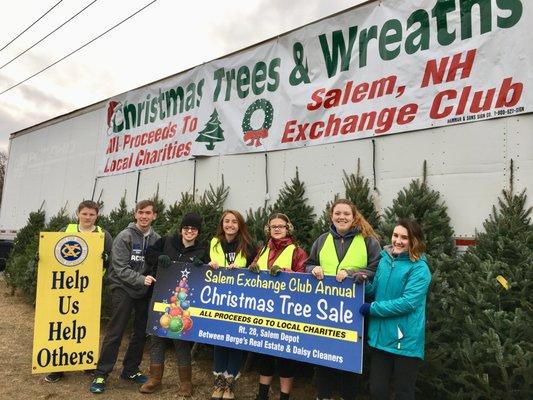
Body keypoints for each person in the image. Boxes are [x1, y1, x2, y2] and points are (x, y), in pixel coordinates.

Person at [306, 198, 381, 400]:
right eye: (337, 213)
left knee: (351, 359)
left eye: (346, 214)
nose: (342, 217)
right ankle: (323, 396)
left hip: (354, 313)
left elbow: (377, 270)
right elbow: (308, 264)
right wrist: (314, 269)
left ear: (354, 216)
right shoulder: (321, 240)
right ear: (331, 216)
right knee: (323, 357)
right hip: (325, 312)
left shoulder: (368, 241)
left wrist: (353, 272)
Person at [89, 200, 160, 394]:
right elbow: (119, 268)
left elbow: (157, 264)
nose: (144, 216)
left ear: (154, 216)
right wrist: (141, 279)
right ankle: (102, 373)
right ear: (135, 214)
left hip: (144, 291)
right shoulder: (125, 236)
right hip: (123, 288)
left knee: (140, 332)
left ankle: (130, 370)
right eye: (140, 212)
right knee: (115, 331)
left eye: (148, 213)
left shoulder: (156, 239)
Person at [359, 219, 431, 400]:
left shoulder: (420, 269)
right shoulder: (385, 260)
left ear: (414, 240)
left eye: (404, 238)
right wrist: (363, 284)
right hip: (381, 337)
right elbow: (375, 289)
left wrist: (372, 309)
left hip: (404, 340)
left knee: (403, 392)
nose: (398, 241)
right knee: (377, 390)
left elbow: (408, 303)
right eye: (395, 235)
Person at [139, 212, 208, 397]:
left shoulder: (202, 249)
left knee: (181, 341)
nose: (189, 231)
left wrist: (204, 265)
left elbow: (209, 270)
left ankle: (186, 382)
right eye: (186, 228)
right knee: (157, 338)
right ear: (181, 229)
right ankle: (154, 379)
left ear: (198, 232)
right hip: (161, 297)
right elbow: (149, 253)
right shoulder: (167, 241)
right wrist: (159, 257)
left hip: (184, 303)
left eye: (193, 229)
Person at [45, 200, 113, 383]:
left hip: (90, 287)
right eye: (85, 214)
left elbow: (110, 260)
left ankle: (86, 360)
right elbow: (52, 252)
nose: (88, 218)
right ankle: (57, 366)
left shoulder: (103, 234)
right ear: (78, 214)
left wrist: (106, 260)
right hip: (66, 286)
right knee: (62, 326)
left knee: (87, 325)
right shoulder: (65, 231)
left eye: (92, 214)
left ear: (97, 216)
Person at [251, 213, 307, 400]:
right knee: (265, 354)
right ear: (269, 228)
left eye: (280, 226)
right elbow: (253, 266)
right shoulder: (263, 248)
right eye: (273, 226)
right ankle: (262, 395)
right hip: (263, 309)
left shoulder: (297, 251)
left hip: (287, 312)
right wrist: (252, 268)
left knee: (285, 358)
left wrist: (286, 273)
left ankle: (284, 397)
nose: (276, 229)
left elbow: (304, 281)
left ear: (287, 228)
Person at [208, 210, 257, 400]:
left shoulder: (249, 245)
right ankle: (218, 381)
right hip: (218, 298)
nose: (230, 225)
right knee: (219, 339)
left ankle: (230, 384)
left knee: (235, 340)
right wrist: (209, 264)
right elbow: (203, 267)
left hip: (240, 300)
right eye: (226, 221)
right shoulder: (214, 242)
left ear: (240, 225)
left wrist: (243, 270)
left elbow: (256, 269)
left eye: (234, 222)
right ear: (222, 224)